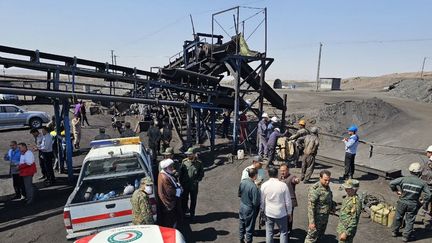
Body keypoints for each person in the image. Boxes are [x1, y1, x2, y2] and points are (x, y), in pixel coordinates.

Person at [390, 162, 431, 242]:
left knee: (398, 217)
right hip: (413, 204)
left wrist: (396, 191)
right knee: (410, 220)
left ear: (410, 171)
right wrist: (423, 201)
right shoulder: (422, 183)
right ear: (419, 172)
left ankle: (394, 232)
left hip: (402, 202)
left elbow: (392, 183)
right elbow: (429, 194)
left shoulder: (404, 179)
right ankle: (406, 237)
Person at [260, 167, 292, 243]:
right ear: (277, 174)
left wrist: (262, 210)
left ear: (268, 174)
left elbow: (262, 201)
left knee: (269, 232)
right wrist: (289, 213)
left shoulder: (264, 185)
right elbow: (288, 201)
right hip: (281, 213)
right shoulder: (283, 185)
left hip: (269, 213)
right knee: (283, 233)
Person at [305, 170, 335, 243]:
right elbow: (310, 206)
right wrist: (311, 222)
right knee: (311, 238)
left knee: (320, 237)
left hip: (324, 218)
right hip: (316, 218)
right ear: (320, 178)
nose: (327, 182)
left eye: (329, 180)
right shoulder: (315, 189)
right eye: (325, 180)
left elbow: (328, 199)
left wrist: (332, 207)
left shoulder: (327, 187)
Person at [180, 148, 204, 219]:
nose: (188, 156)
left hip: (194, 185)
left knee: (193, 200)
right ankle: (184, 214)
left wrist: (197, 180)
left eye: (190, 154)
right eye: (187, 154)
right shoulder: (184, 162)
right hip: (185, 185)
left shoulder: (199, 163)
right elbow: (181, 173)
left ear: (194, 154)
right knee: (184, 199)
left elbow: (201, 173)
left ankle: (192, 214)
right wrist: (181, 183)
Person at [158, 159, 183, 228]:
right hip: (169, 202)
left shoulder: (164, 173)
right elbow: (169, 190)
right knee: (170, 219)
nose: (172, 168)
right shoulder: (164, 177)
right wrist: (178, 191)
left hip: (169, 201)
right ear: (166, 168)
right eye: (171, 167)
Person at [238, 167, 261, 243]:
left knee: (242, 224)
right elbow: (256, 202)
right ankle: (248, 241)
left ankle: (241, 239)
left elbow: (239, 194)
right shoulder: (254, 187)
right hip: (249, 208)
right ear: (255, 175)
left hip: (242, 205)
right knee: (249, 227)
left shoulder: (243, 182)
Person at [279, 164, 300, 237]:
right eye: (281, 171)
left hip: (290, 201)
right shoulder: (280, 178)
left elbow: (295, 180)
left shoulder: (291, 177)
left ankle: (288, 231)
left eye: (284, 171)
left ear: (288, 170)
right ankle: (282, 230)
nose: (282, 172)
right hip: (282, 201)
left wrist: (297, 180)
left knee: (289, 217)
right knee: (281, 216)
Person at [420, 145, 432, 227]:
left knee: (425, 203)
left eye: (427, 152)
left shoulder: (430, 164)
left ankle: (427, 221)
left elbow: (426, 175)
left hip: (428, 187)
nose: (426, 153)